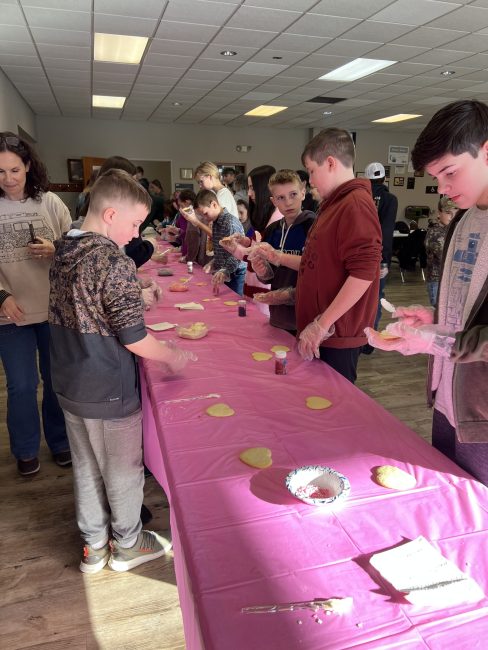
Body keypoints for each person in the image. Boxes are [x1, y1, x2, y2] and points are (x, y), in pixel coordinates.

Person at [49, 169, 196, 573]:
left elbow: (90, 309)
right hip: (107, 386)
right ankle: (127, 543)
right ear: (111, 215)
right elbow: (134, 339)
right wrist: (169, 353)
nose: (136, 234)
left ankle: (93, 545)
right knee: (122, 470)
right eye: (134, 224)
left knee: (86, 466)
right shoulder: (111, 259)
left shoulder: (66, 248)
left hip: (69, 380)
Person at [365, 99, 488, 485]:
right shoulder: (465, 219)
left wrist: (437, 342)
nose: (443, 187)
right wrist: (436, 319)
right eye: (437, 175)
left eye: (450, 171)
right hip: (447, 399)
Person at [274, 128, 381, 383]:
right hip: (324, 332)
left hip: (336, 335)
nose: (309, 180)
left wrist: (322, 324)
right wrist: (277, 257)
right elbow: (319, 264)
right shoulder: (335, 203)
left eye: (311, 171)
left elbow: (364, 272)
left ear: (330, 163)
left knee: (334, 409)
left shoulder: (354, 203)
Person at [0, 131, 71, 476]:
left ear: (27, 166)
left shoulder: (50, 203)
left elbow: (75, 248)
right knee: (22, 384)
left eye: (14, 170)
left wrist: (56, 248)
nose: (8, 179)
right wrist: (2, 296)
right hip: (10, 314)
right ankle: (26, 449)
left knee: (57, 380)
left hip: (53, 308)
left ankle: (59, 442)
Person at [249, 170, 316, 334]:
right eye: (281, 198)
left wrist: (290, 296)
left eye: (293, 194)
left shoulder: (315, 226)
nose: (288, 202)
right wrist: (262, 271)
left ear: (303, 193)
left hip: (306, 318)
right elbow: (269, 276)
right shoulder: (272, 230)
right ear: (273, 201)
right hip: (278, 315)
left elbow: (319, 271)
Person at [361, 161, 398, 354]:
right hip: (377, 256)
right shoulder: (389, 199)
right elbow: (387, 230)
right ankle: (369, 342)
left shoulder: (360, 197)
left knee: (357, 297)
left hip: (358, 254)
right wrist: (385, 259)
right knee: (376, 297)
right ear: (384, 178)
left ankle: (357, 338)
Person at [194, 189, 246, 295]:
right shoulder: (215, 222)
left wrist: (224, 271)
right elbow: (222, 251)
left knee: (235, 304)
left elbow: (237, 255)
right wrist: (213, 263)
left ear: (214, 204)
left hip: (237, 273)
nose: (204, 218)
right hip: (226, 271)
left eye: (205, 213)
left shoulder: (230, 223)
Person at [425, 197, 457, 306]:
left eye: (456, 212)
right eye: (448, 212)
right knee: (439, 312)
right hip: (438, 281)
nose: (452, 216)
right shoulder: (435, 232)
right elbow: (446, 257)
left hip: (451, 280)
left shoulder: (453, 230)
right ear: (439, 213)